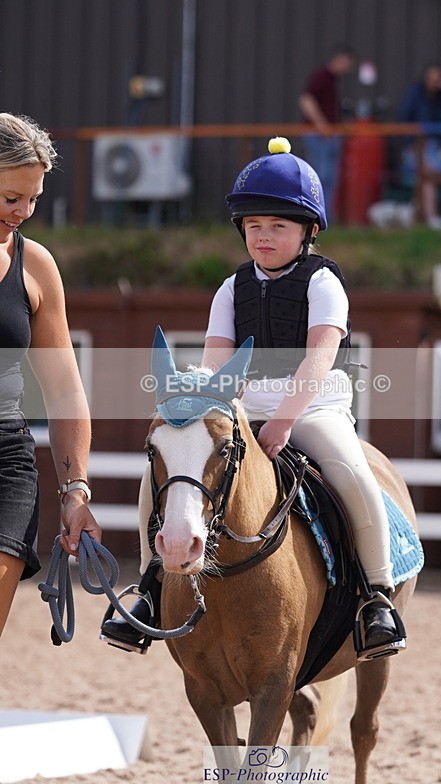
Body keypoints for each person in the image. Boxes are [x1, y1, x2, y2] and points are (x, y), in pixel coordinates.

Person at [102, 137, 404, 659]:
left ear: (308, 230)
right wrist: (207, 410)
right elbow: (217, 364)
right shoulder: (230, 288)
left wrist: (284, 423)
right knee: (165, 473)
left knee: (355, 477)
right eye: (254, 227)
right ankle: (151, 587)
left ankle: (376, 598)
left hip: (313, 407)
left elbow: (318, 359)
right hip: (241, 407)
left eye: (278, 227)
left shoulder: (324, 282)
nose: (263, 238)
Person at [0, 112, 102, 638]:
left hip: (5, 460)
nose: (22, 212)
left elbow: (64, 390)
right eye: (10, 197)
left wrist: (75, 491)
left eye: (32, 199)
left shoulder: (35, 266)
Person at [299, 45, 356, 221]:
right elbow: (306, 99)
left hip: (331, 135)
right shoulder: (322, 76)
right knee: (320, 176)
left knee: (330, 177)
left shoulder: (333, 81)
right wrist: (322, 125)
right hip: (320, 136)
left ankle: (325, 217)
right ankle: (315, 216)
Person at [399, 62, 441, 229]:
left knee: (427, 177)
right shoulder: (415, 93)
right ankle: (430, 216)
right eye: (431, 78)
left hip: (433, 144)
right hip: (415, 144)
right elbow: (405, 117)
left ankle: (421, 214)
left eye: (437, 78)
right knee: (427, 175)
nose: (434, 82)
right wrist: (409, 143)